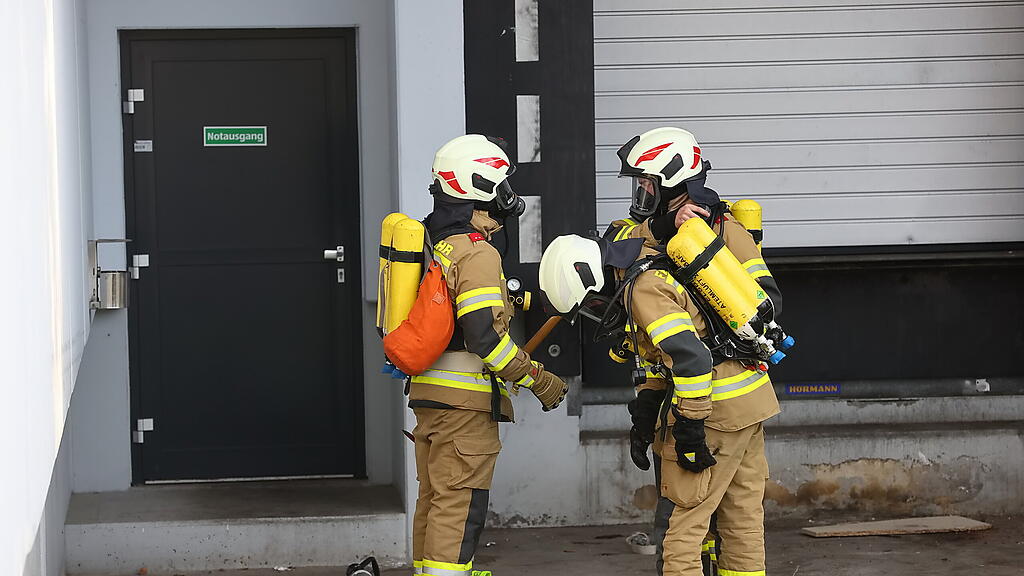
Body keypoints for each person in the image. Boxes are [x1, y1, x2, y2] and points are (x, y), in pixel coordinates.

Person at [544, 127, 783, 576]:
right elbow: (629, 247)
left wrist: (688, 427)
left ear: (674, 181)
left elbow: (744, 315)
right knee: (743, 524)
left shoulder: (720, 231)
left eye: (646, 184)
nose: (639, 193)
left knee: (682, 528)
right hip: (748, 399)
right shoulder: (647, 235)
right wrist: (648, 405)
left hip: (708, 406)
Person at [410, 134, 568, 576]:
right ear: (479, 187)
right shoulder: (476, 252)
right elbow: (484, 338)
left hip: (429, 395)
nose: (506, 198)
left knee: (435, 502)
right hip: (464, 405)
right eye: (500, 185)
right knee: (460, 511)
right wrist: (538, 378)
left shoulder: (430, 240)